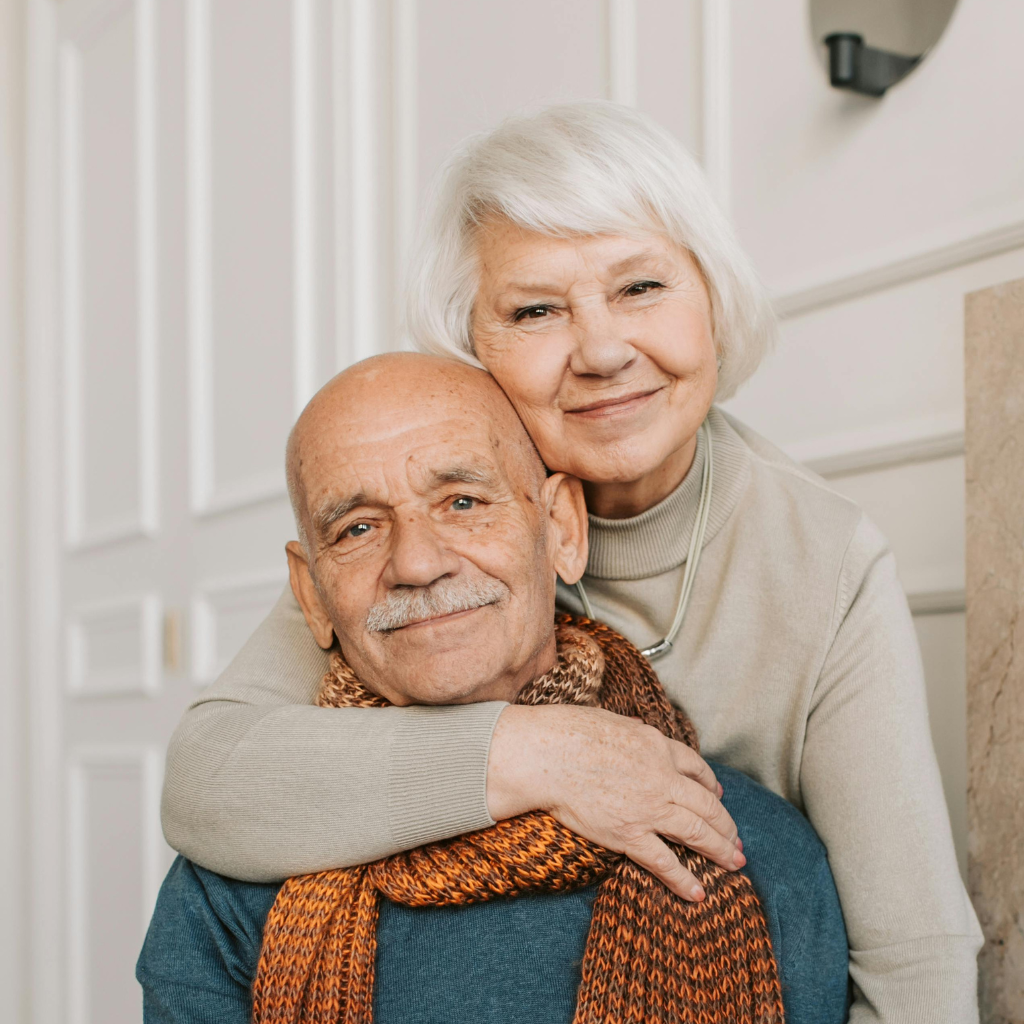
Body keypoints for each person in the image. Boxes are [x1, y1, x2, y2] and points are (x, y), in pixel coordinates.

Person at [161, 103, 981, 1021]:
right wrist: (534, 750)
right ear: (472, 345)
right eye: (536, 310)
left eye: (641, 288)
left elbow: (915, 961)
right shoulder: (422, 542)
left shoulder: (824, 559)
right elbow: (209, 776)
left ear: (714, 299)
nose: (599, 351)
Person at [139, 354, 849, 1024]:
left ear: (562, 529)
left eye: (463, 501)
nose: (416, 562)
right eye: (358, 528)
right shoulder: (232, 879)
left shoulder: (750, 852)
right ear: (311, 595)